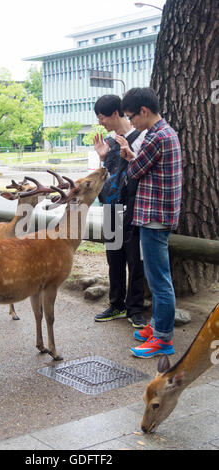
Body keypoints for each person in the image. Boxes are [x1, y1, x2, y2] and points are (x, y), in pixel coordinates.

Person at [117, 87, 182, 358]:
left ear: (144, 111)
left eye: (132, 117)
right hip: (156, 215)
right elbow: (145, 167)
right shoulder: (162, 133)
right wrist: (134, 156)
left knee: (159, 282)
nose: (131, 122)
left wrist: (127, 157)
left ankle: (163, 339)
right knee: (158, 279)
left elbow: (134, 172)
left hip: (154, 217)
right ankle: (157, 327)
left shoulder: (157, 137)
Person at [93, 94, 147, 328]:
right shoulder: (109, 141)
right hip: (111, 208)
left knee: (136, 260)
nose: (100, 122)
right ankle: (116, 304)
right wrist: (103, 158)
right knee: (114, 258)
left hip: (134, 208)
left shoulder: (141, 137)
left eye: (102, 117)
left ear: (115, 113)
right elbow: (106, 177)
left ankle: (136, 308)